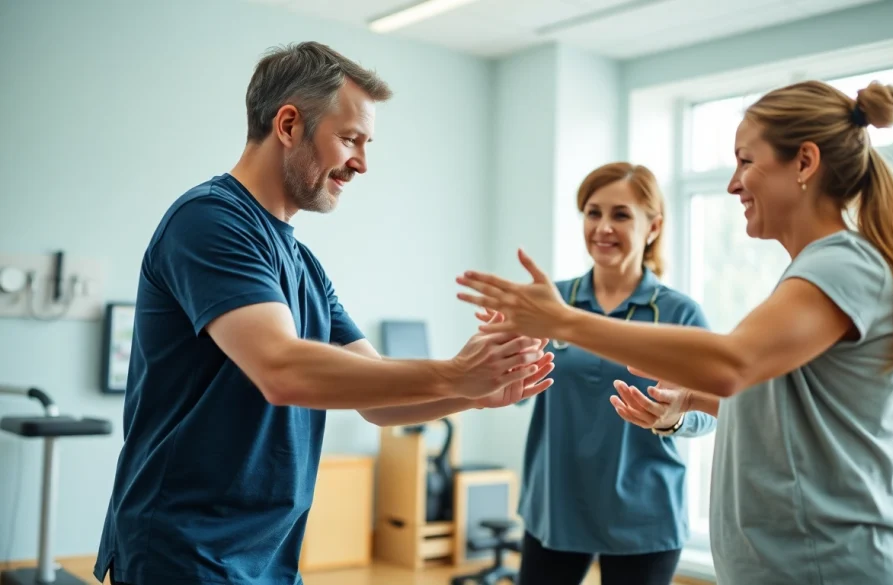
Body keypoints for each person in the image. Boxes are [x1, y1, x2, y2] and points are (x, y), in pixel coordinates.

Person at [455, 80, 893, 585]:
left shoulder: (843, 266)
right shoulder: (819, 268)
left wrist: (563, 322)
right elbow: (783, 411)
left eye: (746, 161)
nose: (734, 184)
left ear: (804, 163)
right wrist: (689, 399)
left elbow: (732, 363)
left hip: (826, 567)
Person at [93, 42, 554, 585]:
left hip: (267, 556)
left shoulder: (302, 264)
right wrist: (455, 373)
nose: (361, 162)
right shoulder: (210, 221)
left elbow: (377, 403)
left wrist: (473, 394)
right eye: (350, 139)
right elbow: (281, 370)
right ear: (288, 124)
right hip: (183, 553)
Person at [481, 162, 716, 585]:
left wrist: (676, 418)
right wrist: (507, 357)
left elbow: (711, 410)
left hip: (644, 513)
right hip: (556, 504)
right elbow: (516, 394)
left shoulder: (679, 313)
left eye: (620, 215)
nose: (603, 227)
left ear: (654, 226)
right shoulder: (551, 302)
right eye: (593, 212)